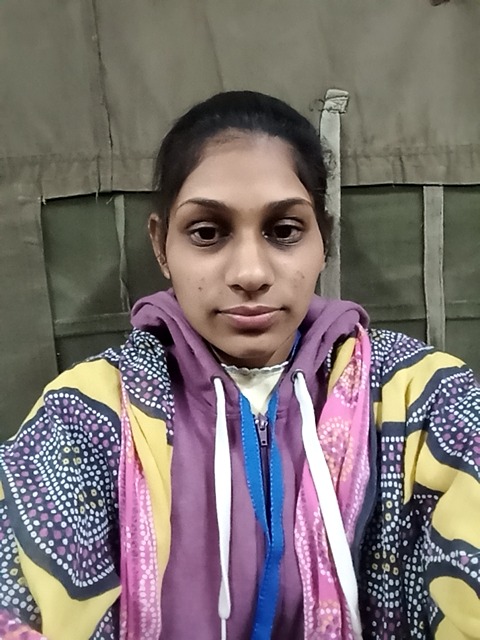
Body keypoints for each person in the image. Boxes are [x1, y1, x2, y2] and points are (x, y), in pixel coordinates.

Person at [0, 91, 479, 640]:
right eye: (207, 232)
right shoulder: (88, 415)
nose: (250, 273)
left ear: (323, 239)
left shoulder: (418, 398)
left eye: (284, 231)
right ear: (161, 245)